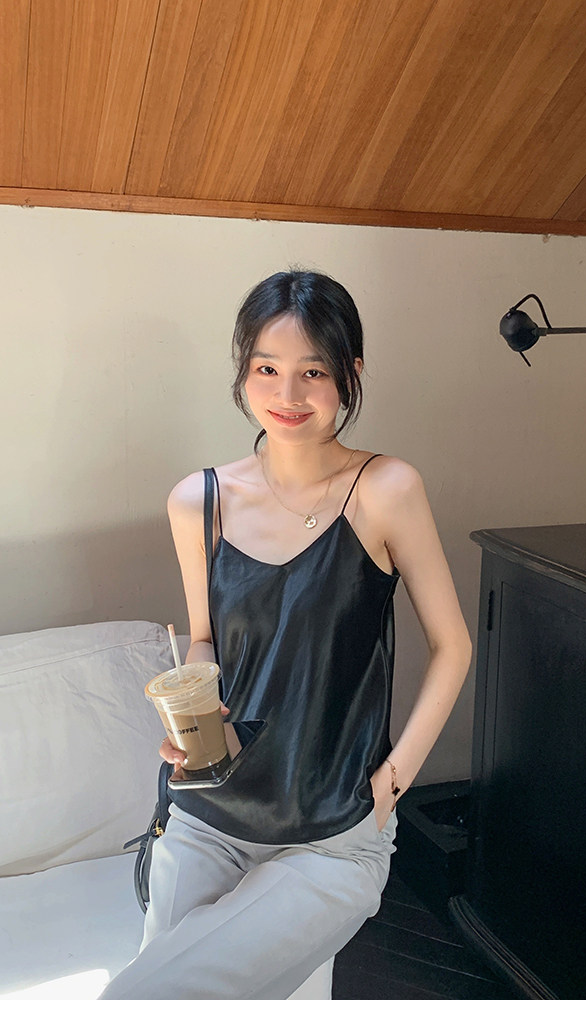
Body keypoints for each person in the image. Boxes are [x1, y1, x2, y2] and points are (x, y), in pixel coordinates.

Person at [100, 269, 472, 1000]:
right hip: (209, 818)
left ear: (350, 375)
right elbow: (204, 641)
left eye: (314, 372)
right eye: (266, 368)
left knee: (139, 1003)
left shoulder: (386, 490)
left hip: (330, 835)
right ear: (243, 372)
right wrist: (194, 724)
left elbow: (453, 646)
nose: (288, 393)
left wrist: (393, 783)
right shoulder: (198, 500)